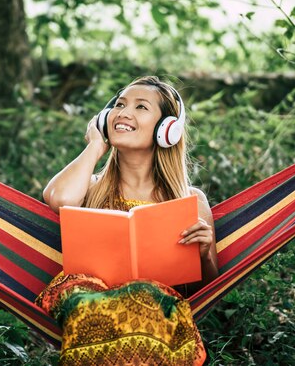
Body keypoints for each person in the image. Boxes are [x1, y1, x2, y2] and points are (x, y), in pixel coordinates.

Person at [36, 76, 219, 365]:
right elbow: (59, 199)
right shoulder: (91, 186)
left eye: (141, 107)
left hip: (153, 311)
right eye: (119, 105)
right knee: (83, 298)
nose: (123, 113)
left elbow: (208, 290)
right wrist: (96, 146)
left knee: (146, 297)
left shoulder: (189, 201)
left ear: (166, 130)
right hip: (90, 303)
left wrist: (204, 254)